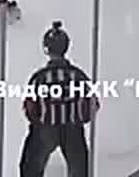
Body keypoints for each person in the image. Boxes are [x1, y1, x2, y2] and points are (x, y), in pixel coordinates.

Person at [20, 21, 97, 177]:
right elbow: (92, 104)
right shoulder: (78, 76)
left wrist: (38, 122)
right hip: (73, 129)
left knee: (30, 167)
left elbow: (30, 107)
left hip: (45, 129)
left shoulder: (39, 78)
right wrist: (79, 119)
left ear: (46, 49)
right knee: (80, 169)